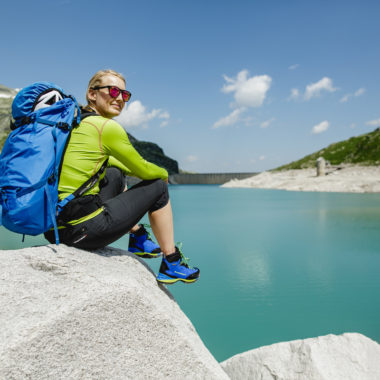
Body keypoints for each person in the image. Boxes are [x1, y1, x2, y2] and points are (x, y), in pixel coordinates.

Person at [44, 69, 199, 284]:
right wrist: (163, 174)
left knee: (114, 174)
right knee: (157, 186)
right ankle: (171, 261)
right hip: (83, 233)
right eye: (113, 91)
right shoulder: (105, 127)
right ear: (92, 94)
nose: (120, 98)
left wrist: (128, 169)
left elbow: (120, 166)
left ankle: (136, 237)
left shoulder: (75, 123)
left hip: (56, 230)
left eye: (125, 95)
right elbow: (144, 169)